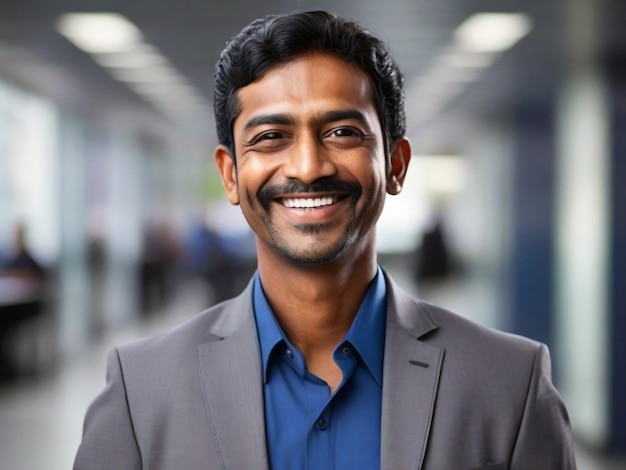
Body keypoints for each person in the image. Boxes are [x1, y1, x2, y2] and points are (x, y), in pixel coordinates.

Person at [74, 11, 576, 469]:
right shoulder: (139, 392)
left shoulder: (511, 384)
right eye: (271, 136)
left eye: (341, 132)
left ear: (396, 165)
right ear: (230, 175)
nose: (309, 167)